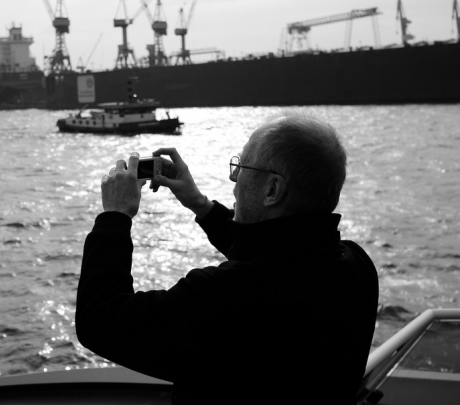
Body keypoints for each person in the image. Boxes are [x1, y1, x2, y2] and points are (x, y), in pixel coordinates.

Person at [75, 111, 379, 404]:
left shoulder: (222, 295)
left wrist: (115, 217)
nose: (235, 180)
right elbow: (280, 252)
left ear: (272, 189)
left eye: (242, 168)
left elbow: (100, 320)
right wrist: (200, 205)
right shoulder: (357, 267)